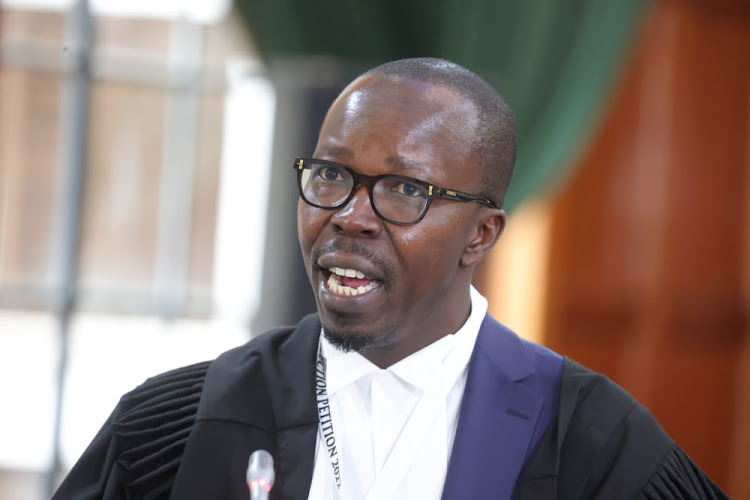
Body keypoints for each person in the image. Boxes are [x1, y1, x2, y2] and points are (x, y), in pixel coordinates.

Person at [53, 58, 727, 500]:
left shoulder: (590, 444)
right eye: (330, 175)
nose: (350, 217)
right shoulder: (178, 427)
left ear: (481, 235)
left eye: (404, 189)